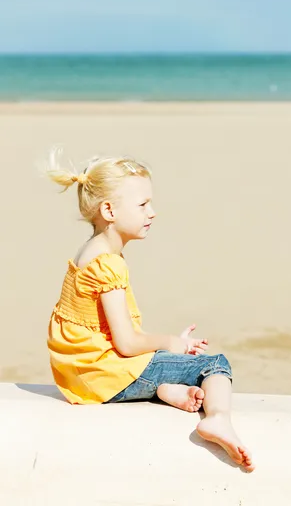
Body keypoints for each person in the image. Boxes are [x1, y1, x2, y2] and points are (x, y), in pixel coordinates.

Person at [46, 148, 254, 472]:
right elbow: (126, 344)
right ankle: (217, 420)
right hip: (103, 377)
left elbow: (107, 332)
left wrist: (170, 349)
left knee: (173, 363)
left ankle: (165, 389)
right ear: (109, 210)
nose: (152, 212)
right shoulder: (107, 264)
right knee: (212, 365)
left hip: (80, 373)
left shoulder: (90, 251)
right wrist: (172, 343)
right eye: (143, 205)